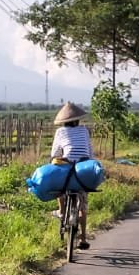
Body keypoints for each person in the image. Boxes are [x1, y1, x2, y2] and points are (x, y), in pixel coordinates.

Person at [50, 101, 93, 249]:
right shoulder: (84, 130)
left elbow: (54, 153)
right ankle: (83, 238)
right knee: (82, 207)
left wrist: (56, 158)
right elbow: (90, 152)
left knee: (57, 183)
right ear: (78, 120)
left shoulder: (60, 132)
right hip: (83, 167)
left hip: (68, 166)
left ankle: (62, 211)